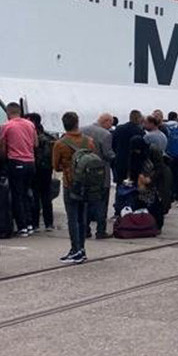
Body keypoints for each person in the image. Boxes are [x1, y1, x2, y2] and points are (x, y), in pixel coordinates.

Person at [53, 111, 96, 263]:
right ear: (77, 122)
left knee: (72, 218)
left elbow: (56, 166)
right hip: (86, 184)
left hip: (70, 183)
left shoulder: (60, 143)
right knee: (82, 217)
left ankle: (75, 250)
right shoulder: (89, 141)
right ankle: (82, 249)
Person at [0, 103, 38, 237]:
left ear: (8, 113)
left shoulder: (7, 126)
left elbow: (2, 146)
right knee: (27, 194)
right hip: (30, 162)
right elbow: (35, 143)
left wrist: (3, 159)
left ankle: (22, 226)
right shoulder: (30, 124)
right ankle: (31, 224)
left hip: (16, 161)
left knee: (17, 195)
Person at [81, 112, 115, 238]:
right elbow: (108, 154)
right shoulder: (106, 135)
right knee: (101, 203)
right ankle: (101, 231)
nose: (111, 127)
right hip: (100, 173)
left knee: (86, 203)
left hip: (84, 172)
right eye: (110, 123)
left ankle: (85, 230)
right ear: (106, 121)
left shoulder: (82, 130)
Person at [112, 110, 145, 216]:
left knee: (120, 185)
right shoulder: (139, 131)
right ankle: (131, 208)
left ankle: (118, 210)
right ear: (138, 118)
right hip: (133, 163)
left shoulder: (119, 129)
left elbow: (113, 144)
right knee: (133, 187)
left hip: (120, 161)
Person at [29, 113, 56, 232]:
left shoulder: (33, 135)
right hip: (47, 169)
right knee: (46, 196)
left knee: (35, 196)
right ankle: (49, 223)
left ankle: (35, 224)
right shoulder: (49, 137)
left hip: (35, 168)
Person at [164, 112, 178, 206]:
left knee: (168, 177)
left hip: (167, 156)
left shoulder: (164, 127)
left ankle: (169, 196)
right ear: (176, 118)